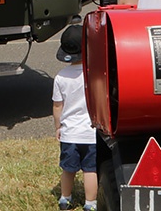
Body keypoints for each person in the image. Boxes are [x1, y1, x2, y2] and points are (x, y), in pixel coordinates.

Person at [52, 25, 97, 211]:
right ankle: (90, 203)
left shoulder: (60, 77)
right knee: (90, 170)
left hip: (69, 133)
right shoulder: (94, 75)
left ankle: (65, 198)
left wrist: (58, 127)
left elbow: (57, 106)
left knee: (68, 169)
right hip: (92, 133)